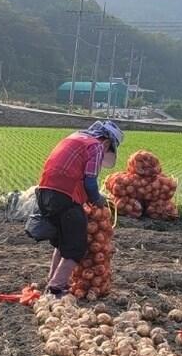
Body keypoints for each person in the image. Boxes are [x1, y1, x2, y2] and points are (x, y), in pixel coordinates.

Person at [34, 120, 123, 295]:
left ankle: (53, 282)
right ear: (106, 142)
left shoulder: (75, 137)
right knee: (76, 247)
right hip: (64, 196)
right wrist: (98, 199)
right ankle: (56, 288)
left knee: (63, 241)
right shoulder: (96, 145)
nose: (105, 152)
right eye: (108, 149)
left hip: (44, 193)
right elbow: (90, 181)